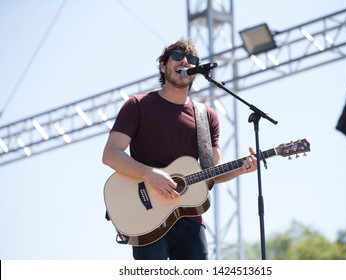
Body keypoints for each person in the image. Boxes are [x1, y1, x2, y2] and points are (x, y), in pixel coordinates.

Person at [102, 39, 257, 260]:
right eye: (177, 56)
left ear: (195, 72)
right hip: (148, 219)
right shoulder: (138, 105)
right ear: (163, 66)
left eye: (191, 59)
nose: (185, 61)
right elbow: (111, 154)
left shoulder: (206, 116)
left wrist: (242, 168)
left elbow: (212, 171)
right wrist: (150, 174)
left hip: (191, 221)